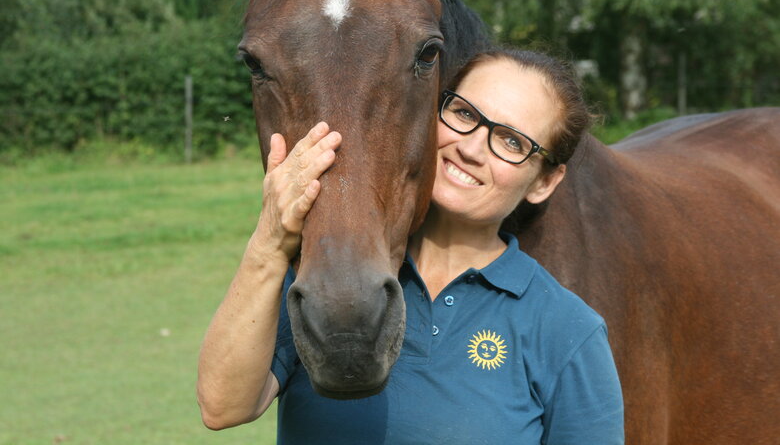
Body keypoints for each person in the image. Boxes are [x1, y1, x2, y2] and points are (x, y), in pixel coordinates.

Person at [197, 48, 625, 444]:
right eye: (463, 113)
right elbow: (222, 406)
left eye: (512, 142)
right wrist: (270, 242)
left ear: (545, 181)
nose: (472, 148)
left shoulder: (568, 331)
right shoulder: (336, 277)